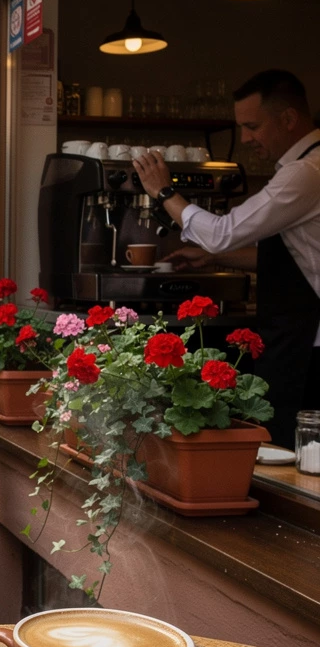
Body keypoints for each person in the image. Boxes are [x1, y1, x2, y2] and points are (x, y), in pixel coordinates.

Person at [134, 69, 320, 448]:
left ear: (288, 119)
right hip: (298, 337)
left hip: (308, 342)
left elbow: (222, 233)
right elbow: (302, 257)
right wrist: (214, 259)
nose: (246, 138)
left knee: (296, 449)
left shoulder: (306, 174)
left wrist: (165, 192)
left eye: (252, 126)